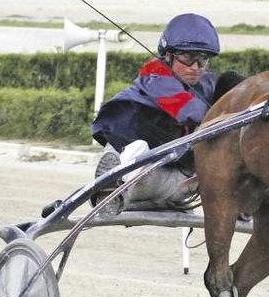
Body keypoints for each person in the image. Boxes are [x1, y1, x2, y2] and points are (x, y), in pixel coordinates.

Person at [90, 13, 221, 213]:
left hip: (171, 174)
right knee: (139, 152)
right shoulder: (155, 74)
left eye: (202, 60)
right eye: (188, 58)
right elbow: (190, 112)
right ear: (168, 56)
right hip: (131, 157)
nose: (196, 67)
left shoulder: (205, 81)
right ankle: (111, 190)